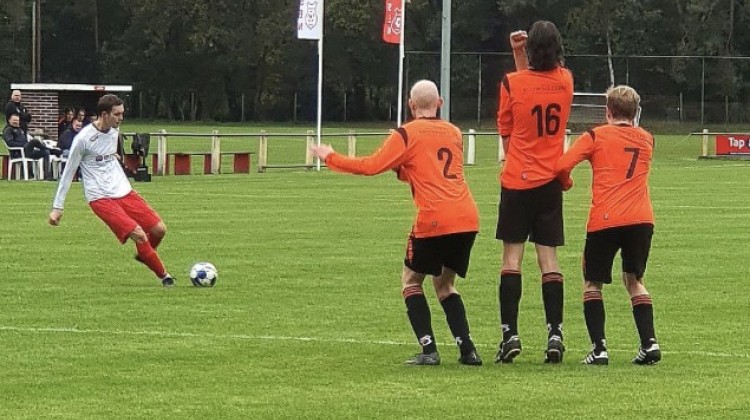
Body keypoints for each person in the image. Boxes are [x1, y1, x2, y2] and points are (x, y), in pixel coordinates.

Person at [310, 80, 482, 366]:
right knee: (445, 286)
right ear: (439, 103)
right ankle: (468, 350)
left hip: (434, 218)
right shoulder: (453, 132)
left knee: (411, 281)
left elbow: (370, 166)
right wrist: (401, 165)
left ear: (411, 105)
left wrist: (331, 157)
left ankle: (429, 350)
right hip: (466, 217)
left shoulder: (407, 133)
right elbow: (422, 172)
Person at [555, 85, 660, 366]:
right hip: (641, 218)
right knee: (634, 281)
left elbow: (562, 166)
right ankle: (650, 344)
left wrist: (567, 184)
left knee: (593, 283)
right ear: (636, 112)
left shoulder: (595, 136)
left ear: (607, 111)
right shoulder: (647, 139)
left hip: (605, 218)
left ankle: (599, 348)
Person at [494, 20, 574, 364]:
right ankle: (554, 332)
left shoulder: (511, 82)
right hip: (550, 181)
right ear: (557, 49)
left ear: (528, 49)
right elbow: (540, 83)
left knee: (512, 259)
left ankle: (510, 334)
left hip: (517, 180)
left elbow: (508, 132)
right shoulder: (566, 81)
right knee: (549, 260)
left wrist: (516, 55)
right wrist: (521, 54)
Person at [48, 94, 175, 287]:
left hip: (122, 190)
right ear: (104, 114)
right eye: (117, 114)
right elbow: (68, 172)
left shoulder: (115, 130)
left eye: (122, 113)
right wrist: (58, 207)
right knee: (139, 234)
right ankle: (165, 277)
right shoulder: (83, 139)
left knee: (159, 230)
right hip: (100, 197)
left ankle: (145, 254)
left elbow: (107, 152)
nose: (121, 118)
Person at [2, 113, 60, 180]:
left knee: (45, 152)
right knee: (34, 141)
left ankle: (48, 176)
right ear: (9, 120)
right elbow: (10, 143)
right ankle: (52, 150)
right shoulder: (8, 130)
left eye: (17, 120)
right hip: (18, 152)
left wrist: (27, 144)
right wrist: (24, 145)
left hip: (27, 151)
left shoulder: (21, 130)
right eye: (14, 120)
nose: (16, 122)